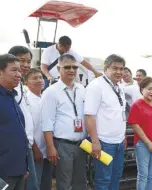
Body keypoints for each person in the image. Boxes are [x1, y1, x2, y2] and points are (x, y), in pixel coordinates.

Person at [41, 54, 87, 190]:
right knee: (64, 183)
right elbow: (47, 122)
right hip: (62, 145)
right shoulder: (51, 92)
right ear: (58, 68)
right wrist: (50, 147)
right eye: (67, 67)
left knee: (81, 182)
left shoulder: (82, 89)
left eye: (74, 67)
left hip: (82, 144)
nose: (72, 70)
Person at [84, 54, 127, 190]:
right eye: (115, 68)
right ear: (106, 68)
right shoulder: (96, 86)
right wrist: (95, 141)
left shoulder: (119, 87)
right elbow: (89, 116)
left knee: (116, 177)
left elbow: (119, 114)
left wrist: (123, 136)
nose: (119, 72)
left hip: (119, 142)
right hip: (104, 143)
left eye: (122, 69)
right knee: (103, 180)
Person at [8, 46, 38, 190]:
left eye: (29, 61)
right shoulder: (9, 87)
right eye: (22, 61)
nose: (26, 65)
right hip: (14, 148)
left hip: (26, 145)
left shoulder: (20, 86)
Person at [0, 54, 28, 190]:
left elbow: (19, 134)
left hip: (18, 170)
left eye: (19, 71)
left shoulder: (12, 96)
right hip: (3, 173)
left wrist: (24, 166)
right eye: (13, 70)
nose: (19, 74)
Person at [25, 68, 53, 190]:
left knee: (46, 184)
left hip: (48, 149)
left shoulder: (45, 97)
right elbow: (28, 128)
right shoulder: (26, 100)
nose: (39, 80)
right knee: (34, 184)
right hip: (35, 150)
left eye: (40, 77)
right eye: (34, 78)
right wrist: (35, 149)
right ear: (26, 83)